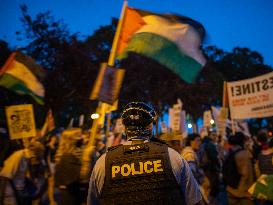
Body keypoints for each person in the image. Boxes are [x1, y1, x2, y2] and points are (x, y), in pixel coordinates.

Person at [87, 102, 202, 205]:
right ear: (150, 126)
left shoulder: (103, 162)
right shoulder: (173, 157)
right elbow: (194, 199)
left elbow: (92, 201)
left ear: (125, 128)